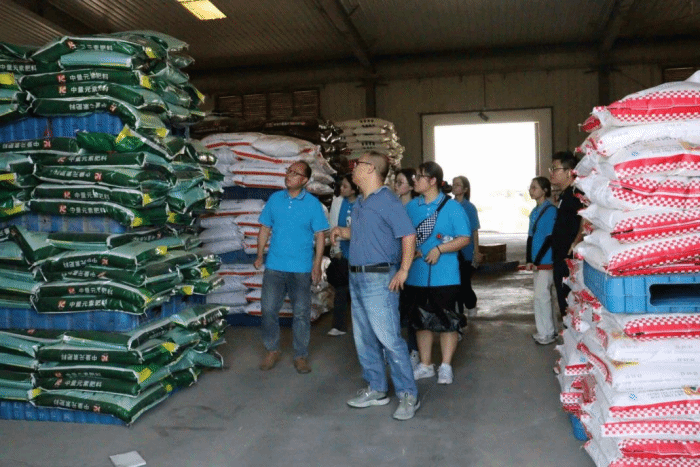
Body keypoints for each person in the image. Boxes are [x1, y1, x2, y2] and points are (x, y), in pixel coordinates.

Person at [330, 152, 420, 421]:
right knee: (365, 338)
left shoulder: (387, 200)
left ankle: (408, 394)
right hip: (357, 277)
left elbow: (408, 234)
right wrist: (342, 231)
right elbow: (365, 233)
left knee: (389, 338)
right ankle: (377, 388)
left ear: (370, 169)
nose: (353, 168)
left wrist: (404, 270)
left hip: (379, 278)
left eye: (357, 164)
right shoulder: (361, 203)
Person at [255, 160, 330, 374]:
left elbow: (320, 236)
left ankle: (300, 355)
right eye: (288, 171)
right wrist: (259, 255)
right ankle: (272, 349)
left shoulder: (313, 204)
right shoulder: (275, 199)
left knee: (301, 314)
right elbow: (264, 228)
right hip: (275, 266)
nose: (289, 175)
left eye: (295, 173)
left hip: (301, 268)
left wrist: (317, 265)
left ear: (305, 180)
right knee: (268, 309)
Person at [404, 162, 471, 385]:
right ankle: (425, 365)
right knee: (420, 321)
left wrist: (440, 249)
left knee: (446, 321)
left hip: (445, 276)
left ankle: (445, 365)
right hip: (416, 275)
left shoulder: (452, 208)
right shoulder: (411, 207)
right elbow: (405, 237)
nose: (415, 180)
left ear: (433, 181)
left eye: (419, 176)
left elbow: (464, 238)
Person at [549, 151, 584, 318]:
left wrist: (576, 241)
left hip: (569, 259)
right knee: (563, 301)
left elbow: (586, 217)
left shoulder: (576, 194)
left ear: (569, 172)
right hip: (560, 257)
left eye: (555, 169)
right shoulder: (565, 195)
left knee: (569, 301)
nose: (552, 172)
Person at [525, 176, 558, 345]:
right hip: (537, 261)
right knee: (541, 297)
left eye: (534, 187)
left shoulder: (551, 211)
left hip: (545, 261)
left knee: (542, 297)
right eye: (530, 187)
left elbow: (549, 238)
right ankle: (545, 330)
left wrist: (537, 260)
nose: (531, 190)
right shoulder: (534, 211)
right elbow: (530, 237)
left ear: (545, 190)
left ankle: (548, 333)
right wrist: (529, 259)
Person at [326, 173, 358, 336]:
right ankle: (338, 326)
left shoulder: (364, 202)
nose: (341, 189)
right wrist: (336, 250)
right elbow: (333, 227)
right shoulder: (338, 202)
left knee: (359, 292)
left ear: (354, 189)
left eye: (345, 186)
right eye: (341, 185)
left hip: (361, 255)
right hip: (343, 253)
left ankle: (361, 328)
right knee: (341, 289)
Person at [451, 175, 482, 318]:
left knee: (464, 283)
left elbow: (474, 231)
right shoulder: (449, 205)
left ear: (465, 189)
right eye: (453, 184)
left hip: (466, 251)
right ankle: (458, 314)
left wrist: (476, 251)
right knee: (454, 284)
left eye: (457, 184)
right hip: (451, 250)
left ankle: (471, 304)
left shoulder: (469, 208)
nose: (454, 186)